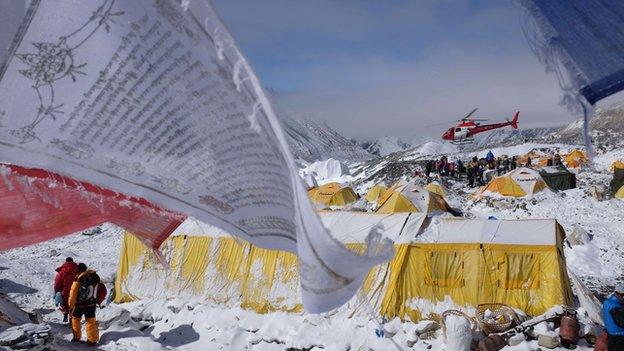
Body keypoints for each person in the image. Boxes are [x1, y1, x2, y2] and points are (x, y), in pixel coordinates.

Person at [69, 264, 107, 346]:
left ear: (78, 270)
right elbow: (102, 290)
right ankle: (92, 340)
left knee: (75, 319)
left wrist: (70, 306)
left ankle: (77, 338)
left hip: (79, 304)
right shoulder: (95, 277)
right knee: (91, 321)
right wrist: (98, 301)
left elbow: (73, 295)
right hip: (91, 304)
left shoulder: (78, 279)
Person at [53, 257, 79, 323]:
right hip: (75, 290)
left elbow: (57, 282)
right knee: (73, 304)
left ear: (66, 261)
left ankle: (65, 315)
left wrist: (56, 290)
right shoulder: (78, 270)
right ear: (73, 261)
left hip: (64, 291)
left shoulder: (62, 271)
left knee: (64, 304)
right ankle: (71, 318)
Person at [603, 284, 624, 350]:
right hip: (619, 337)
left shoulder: (608, 301)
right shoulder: (615, 306)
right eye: (622, 295)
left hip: (611, 334)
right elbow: (622, 322)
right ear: (616, 293)